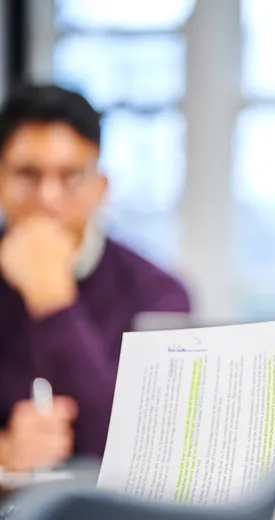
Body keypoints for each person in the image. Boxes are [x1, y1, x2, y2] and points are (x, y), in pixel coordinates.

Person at [0, 85, 190, 471]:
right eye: (27, 174)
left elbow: (135, 451)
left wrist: (52, 299)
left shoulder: (159, 295)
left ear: (100, 187)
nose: (48, 197)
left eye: (70, 176)